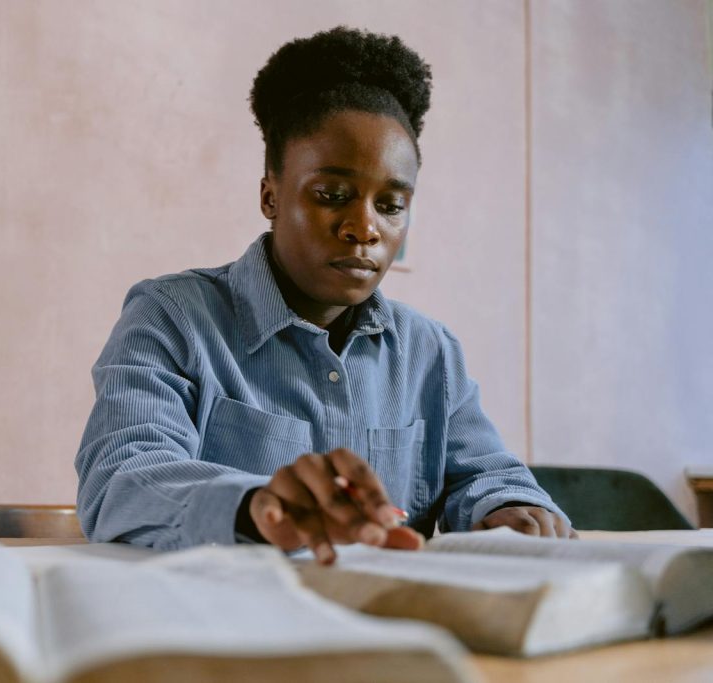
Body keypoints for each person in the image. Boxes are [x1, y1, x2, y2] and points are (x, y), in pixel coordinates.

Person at [75, 26, 573, 564]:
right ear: (270, 195)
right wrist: (255, 505)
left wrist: (508, 507)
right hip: (224, 626)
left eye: (391, 204)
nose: (365, 228)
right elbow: (122, 481)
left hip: (387, 627)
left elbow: (485, 476)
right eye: (332, 195)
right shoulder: (171, 318)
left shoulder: (430, 352)